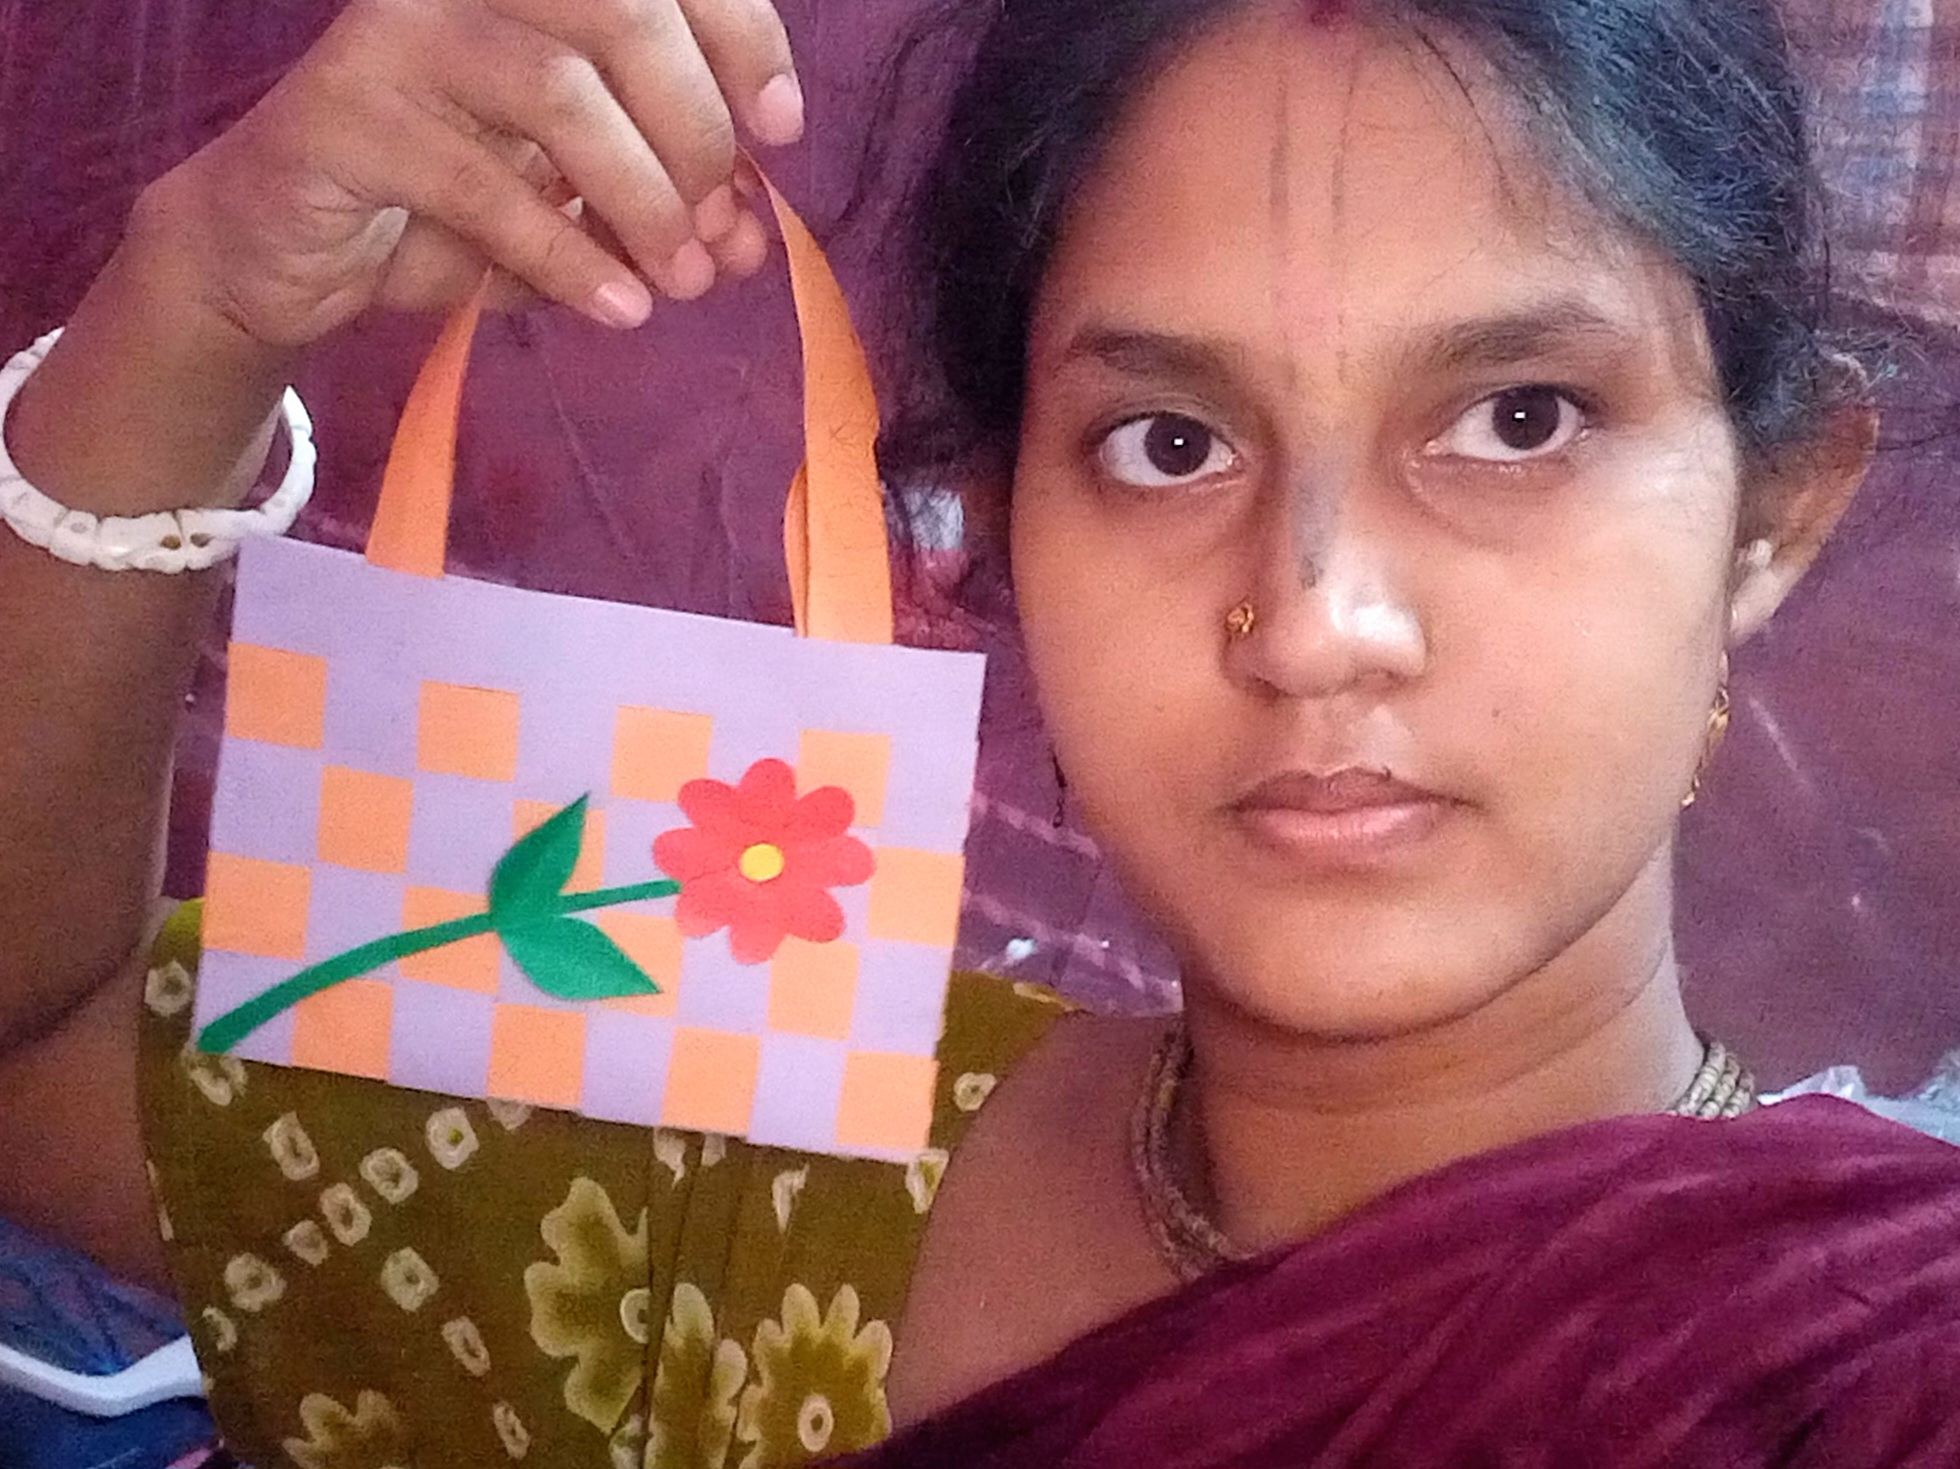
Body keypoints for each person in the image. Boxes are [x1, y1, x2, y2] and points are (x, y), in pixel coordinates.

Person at [2, 0, 1958, 1463]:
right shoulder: (739, 1154)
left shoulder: (1858, 1354)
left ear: (1768, 517)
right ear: (1005, 531)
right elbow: (33, 1041)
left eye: (1518, 418)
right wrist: (200, 300)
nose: (1316, 625)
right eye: (1166, 442)